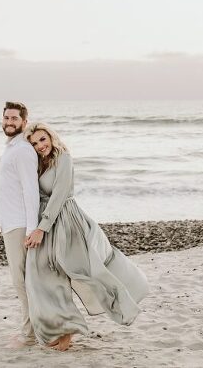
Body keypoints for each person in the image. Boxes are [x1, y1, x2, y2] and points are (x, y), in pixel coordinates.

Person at [23, 123, 150, 351]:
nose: (40, 146)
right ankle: (63, 327)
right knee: (41, 274)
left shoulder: (64, 158)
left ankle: (72, 330)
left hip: (65, 220)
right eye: (34, 143)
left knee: (81, 270)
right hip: (45, 220)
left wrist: (42, 228)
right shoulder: (39, 163)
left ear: (51, 137)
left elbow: (60, 194)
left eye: (42, 139)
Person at [0, 100, 39, 348]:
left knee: (21, 280)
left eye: (14, 119)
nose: (9, 122)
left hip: (21, 225)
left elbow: (30, 190)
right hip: (11, 222)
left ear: (24, 122)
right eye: (6, 118)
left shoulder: (22, 149)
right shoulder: (11, 147)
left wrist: (33, 228)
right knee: (21, 280)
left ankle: (29, 334)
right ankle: (31, 330)